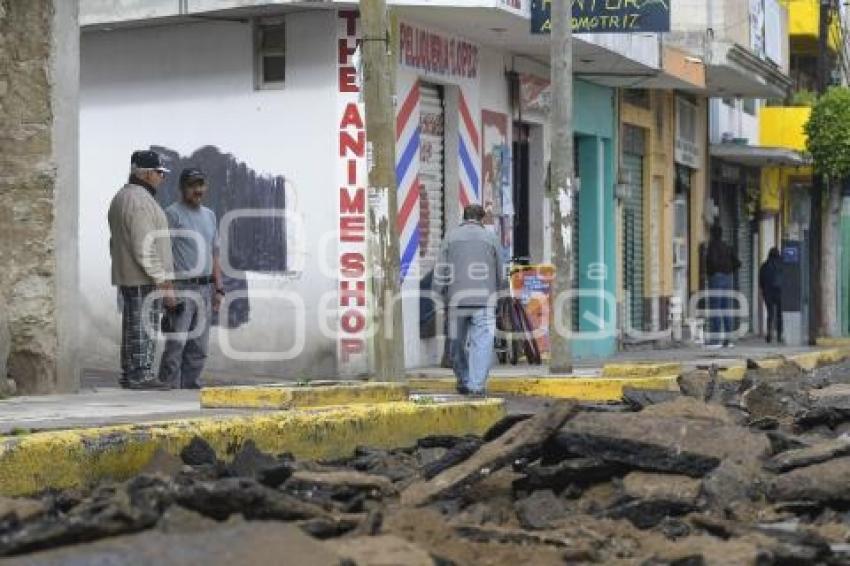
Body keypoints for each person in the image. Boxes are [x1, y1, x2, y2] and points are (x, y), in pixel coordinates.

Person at [108, 150, 175, 390]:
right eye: (159, 172)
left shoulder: (125, 197)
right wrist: (161, 279)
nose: (161, 177)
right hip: (142, 277)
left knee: (135, 325)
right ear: (146, 174)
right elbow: (144, 245)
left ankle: (132, 373)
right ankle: (140, 374)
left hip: (132, 274)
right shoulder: (138, 201)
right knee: (142, 326)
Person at [158, 168, 224, 389]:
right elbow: (163, 253)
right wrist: (167, 290)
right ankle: (167, 388)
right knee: (176, 343)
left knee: (199, 346)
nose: (198, 190)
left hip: (205, 289)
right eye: (192, 186)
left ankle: (190, 388)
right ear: (182, 188)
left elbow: (215, 253)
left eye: (201, 185)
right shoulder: (172, 214)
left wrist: (219, 288)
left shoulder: (210, 215)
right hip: (182, 289)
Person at [434, 204, 505, 396]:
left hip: (456, 300)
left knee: (455, 344)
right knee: (481, 344)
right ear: (482, 219)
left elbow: (440, 269)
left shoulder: (450, 237)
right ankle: (476, 386)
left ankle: (465, 380)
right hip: (485, 301)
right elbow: (501, 271)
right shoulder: (491, 238)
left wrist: (438, 294)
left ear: (463, 217)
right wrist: (502, 294)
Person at [704, 224, 741, 348]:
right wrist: (729, 270)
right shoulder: (727, 246)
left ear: (712, 234)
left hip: (717, 278)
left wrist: (712, 271)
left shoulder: (712, 246)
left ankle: (715, 340)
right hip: (728, 278)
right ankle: (728, 339)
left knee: (716, 309)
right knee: (726, 309)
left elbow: (712, 262)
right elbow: (738, 263)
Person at [759, 247, 784, 344]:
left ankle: (769, 333)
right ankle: (779, 335)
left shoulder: (764, 266)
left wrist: (763, 291)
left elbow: (761, 281)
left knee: (770, 313)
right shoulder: (782, 265)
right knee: (779, 314)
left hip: (767, 292)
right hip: (779, 292)